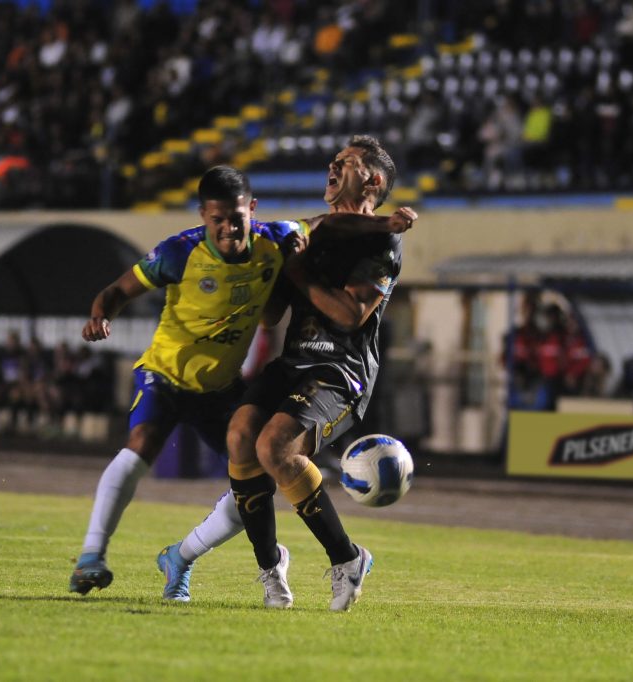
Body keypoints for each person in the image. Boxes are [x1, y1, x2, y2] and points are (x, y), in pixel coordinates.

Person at [68, 164, 414, 596]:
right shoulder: (178, 252)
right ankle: (91, 558)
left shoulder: (275, 240)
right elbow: (117, 290)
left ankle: (184, 558)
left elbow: (329, 223)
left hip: (221, 389)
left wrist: (386, 223)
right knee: (140, 450)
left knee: (255, 477)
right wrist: (101, 316)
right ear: (203, 217)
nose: (229, 229)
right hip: (166, 375)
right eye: (217, 220)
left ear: (253, 210)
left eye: (237, 218)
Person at [162, 136, 408, 612]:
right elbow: (271, 316)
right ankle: (271, 571)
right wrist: (272, 272)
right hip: (294, 362)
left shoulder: (384, 242)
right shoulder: (313, 232)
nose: (332, 168)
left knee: (274, 446)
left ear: (373, 180)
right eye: (332, 162)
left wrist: (295, 271)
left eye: (346, 164)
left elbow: (350, 312)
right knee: (240, 437)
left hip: (341, 373)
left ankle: (348, 558)